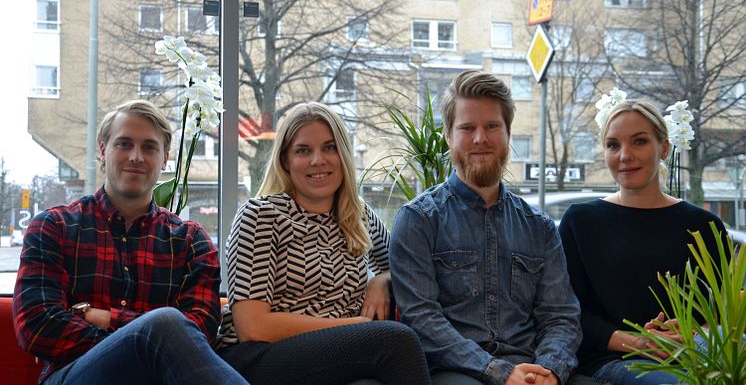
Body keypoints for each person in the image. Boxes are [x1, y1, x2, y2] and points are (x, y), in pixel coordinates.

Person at [12, 100, 248, 385]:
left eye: (149, 147)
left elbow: (200, 331)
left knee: (167, 327)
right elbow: (38, 325)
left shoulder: (191, 242)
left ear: (164, 158)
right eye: (124, 144)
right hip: (74, 376)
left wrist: (103, 317)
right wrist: (145, 339)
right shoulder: (54, 226)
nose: (136, 156)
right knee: (166, 324)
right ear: (103, 150)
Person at [389, 70, 582, 385]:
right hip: (455, 370)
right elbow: (423, 320)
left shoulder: (540, 227)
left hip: (531, 366)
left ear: (507, 132)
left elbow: (561, 317)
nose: (480, 138)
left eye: (492, 126)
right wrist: (500, 373)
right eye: (467, 128)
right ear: (449, 136)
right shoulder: (418, 220)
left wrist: (549, 371)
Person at [217, 102, 431, 385]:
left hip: (335, 356)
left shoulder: (358, 215)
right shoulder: (261, 215)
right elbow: (252, 327)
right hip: (262, 356)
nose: (318, 160)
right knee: (396, 340)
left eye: (329, 148)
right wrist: (355, 327)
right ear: (285, 161)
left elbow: (403, 267)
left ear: (343, 156)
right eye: (303, 150)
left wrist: (380, 281)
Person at [559, 98, 728, 385]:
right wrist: (638, 343)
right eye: (613, 145)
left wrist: (693, 331)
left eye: (639, 142)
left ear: (664, 148)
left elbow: (722, 309)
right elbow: (567, 312)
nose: (625, 155)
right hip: (613, 359)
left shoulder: (704, 226)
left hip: (695, 353)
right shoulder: (581, 221)